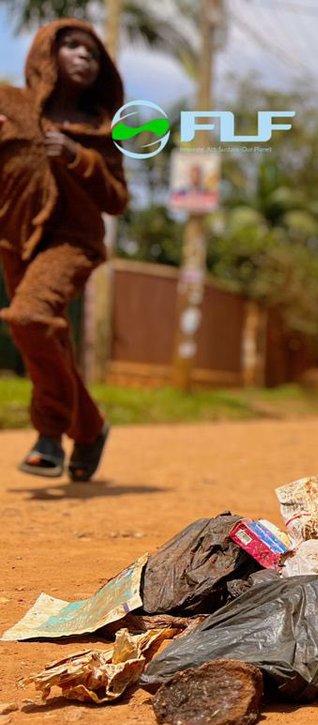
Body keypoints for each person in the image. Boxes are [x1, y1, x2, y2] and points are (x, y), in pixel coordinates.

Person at [0, 19, 126, 480]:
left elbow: (117, 199)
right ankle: (90, 428)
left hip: (74, 242)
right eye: (71, 46)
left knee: (30, 317)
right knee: (48, 338)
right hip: (14, 239)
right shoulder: (8, 104)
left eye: (92, 52)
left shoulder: (101, 129)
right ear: (45, 53)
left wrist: (78, 157)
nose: (83, 56)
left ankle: (50, 433)